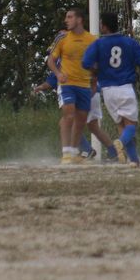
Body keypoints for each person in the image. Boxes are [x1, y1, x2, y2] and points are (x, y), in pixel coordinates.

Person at [82, 11, 140, 166]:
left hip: (107, 90)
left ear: (105, 27)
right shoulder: (129, 42)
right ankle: (120, 142)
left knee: (121, 125)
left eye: (101, 24)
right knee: (131, 125)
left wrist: (96, 69)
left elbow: (85, 62)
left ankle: (134, 160)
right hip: (125, 87)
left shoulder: (98, 44)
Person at [48, 8, 97, 165]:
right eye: (66, 17)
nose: (66, 20)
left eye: (69, 17)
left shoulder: (92, 40)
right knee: (68, 115)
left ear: (79, 19)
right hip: (67, 84)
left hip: (84, 84)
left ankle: (75, 152)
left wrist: (94, 84)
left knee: (81, 120)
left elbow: (97, 65)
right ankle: (66, 153)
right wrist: (58, 74)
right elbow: (50, 60)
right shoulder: (63, 37)